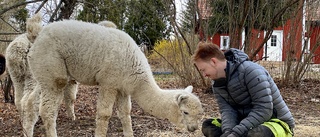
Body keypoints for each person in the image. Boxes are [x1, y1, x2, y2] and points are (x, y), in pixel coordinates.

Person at [191, 42, 295, 137]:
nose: (204, 75)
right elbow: (227, 111)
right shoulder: (217, 84)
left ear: (213, 61)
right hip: (246, 123)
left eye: (203, 70)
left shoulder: (252, 71)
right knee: (208, 125)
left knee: (256, 134)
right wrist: (228, 132)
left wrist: (236, 133)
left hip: (275, 122)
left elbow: (264, 110)